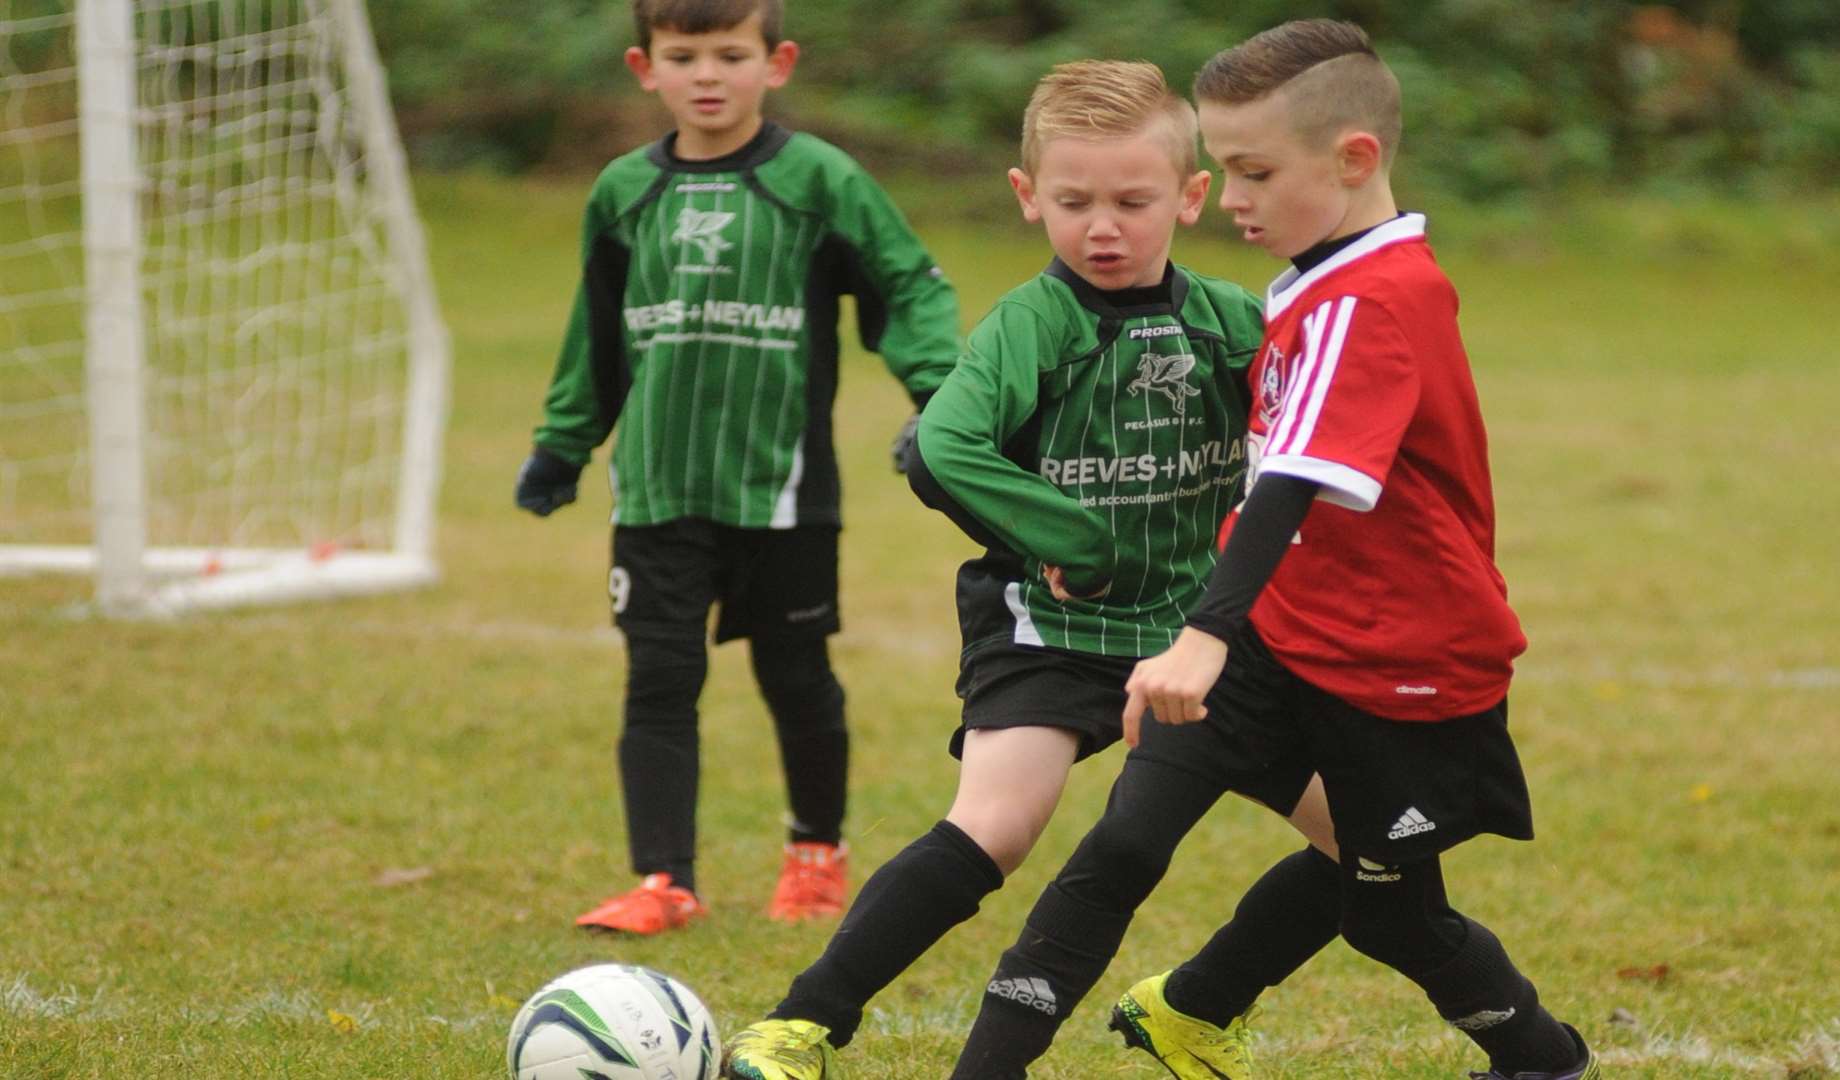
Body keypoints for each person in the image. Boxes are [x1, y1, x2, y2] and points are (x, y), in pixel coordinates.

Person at [944, 20, 1599, 1080]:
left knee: (1390, 912)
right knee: (1122, 846)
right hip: (1279, 634)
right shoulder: (1310, 278)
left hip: (1407, 664)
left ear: (1353, 160)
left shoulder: (1377, 296)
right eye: (1224, 166)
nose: (1231, 195)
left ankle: (1543, 1056)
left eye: (1252, 171)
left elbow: (1293, 480)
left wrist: (1201, 633)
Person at [722, 59, 1337, 1080]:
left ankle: (1195, 1007)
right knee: (998, 826)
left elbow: (1306, 437)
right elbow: (942, 447)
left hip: (1196, 641)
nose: (1105, 226)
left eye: (1134, 202)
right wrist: (1067, 540)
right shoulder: (1031, 325)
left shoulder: (1233, 323)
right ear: (1027, 197)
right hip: (1052, 634)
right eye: (1074, 201)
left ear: (1189, 197)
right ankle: (801, 1024)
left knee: (1365, 838)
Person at [513, 0, 961, 936]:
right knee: (658, 680)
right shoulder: (622, 191)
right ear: (646, 66)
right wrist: (565, 442)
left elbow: (907, 285)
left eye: (730, 54)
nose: (706, 75)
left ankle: (815, 858)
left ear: (778, 61)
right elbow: (596, 330)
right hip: (657, 487)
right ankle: (662, 881)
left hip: (784, 490)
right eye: (684, 56)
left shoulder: (819, 179)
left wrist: (942, 401)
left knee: (795, 675)